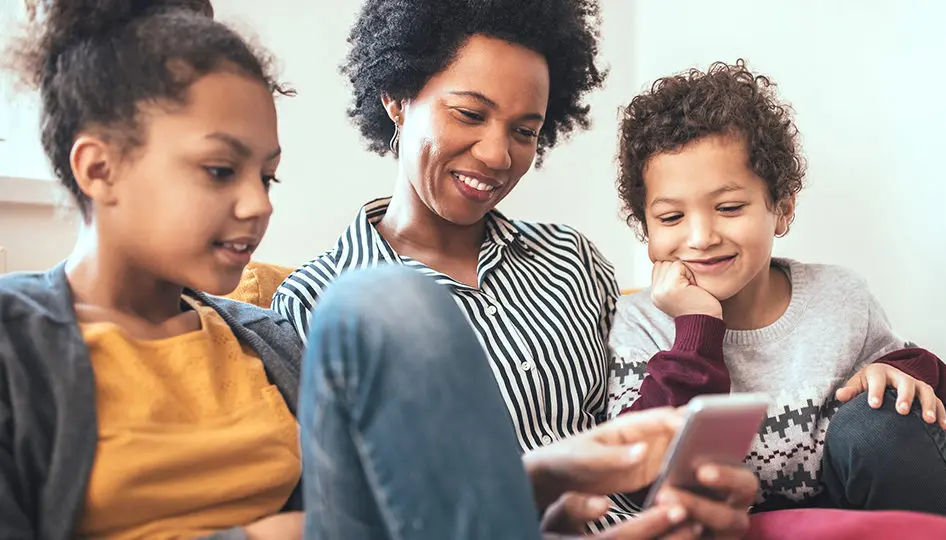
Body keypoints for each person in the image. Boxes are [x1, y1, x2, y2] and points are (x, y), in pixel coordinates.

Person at [0, 1, 760, 539]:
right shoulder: (25, 344)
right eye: (219, 170)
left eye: (267, 177)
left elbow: (381, 510)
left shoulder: (262, 343)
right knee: (383, 296)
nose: (256, 207)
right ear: (98, 167)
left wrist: (548, 480)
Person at [271, 0, 757, 531]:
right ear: (397, 97)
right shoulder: (314, 304)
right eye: (470, 114)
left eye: (525, 131)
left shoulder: (572, 261)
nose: (498, 154)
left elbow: (631, 435)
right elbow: (353, 513)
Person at [606, 60, 946, 529]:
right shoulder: (640, 322)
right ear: (646, 228)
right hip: (722, 532)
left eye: (728, 207)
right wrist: (696, 329)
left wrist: (900, 373)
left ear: (781, 210)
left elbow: (937, 422)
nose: (700, 237)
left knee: (882, 418)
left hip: (843, 525)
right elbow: (636, 479)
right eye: (671, 218)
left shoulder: (839, 297)